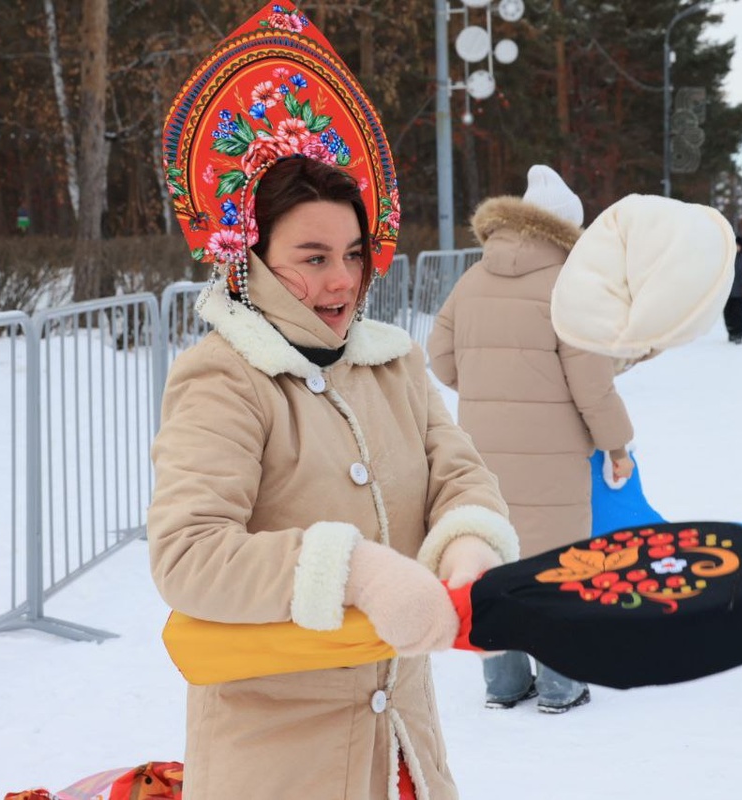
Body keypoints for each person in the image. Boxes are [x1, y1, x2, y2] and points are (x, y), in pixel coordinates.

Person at [152, 9, 518, 797]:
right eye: (312, 257)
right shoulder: (224, 378)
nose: (342, 280)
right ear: (251, 259)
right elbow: (189, 556)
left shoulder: (392, 363)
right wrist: (358, 573)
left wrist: (470, 549)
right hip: (277, 759)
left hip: (399, 750)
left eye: (352, 253)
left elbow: (458, 474)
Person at [427, 164, 634, 713]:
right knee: (557, 566)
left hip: (482, 455)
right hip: (554, 460)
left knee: (496, 563)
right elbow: (592, 387)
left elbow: (439, 357)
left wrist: (484, 388)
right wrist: (616, 445)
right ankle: (561, 686)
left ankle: (504, 683)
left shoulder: (472, 280)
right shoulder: (569, 290)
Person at [724, 234, 742, 343]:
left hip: (740, 292)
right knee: (728, 313)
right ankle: (731, 332)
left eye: (737, 245)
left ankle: (739, 333)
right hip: (727, 292)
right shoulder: (725, 258)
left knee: (738, 313)